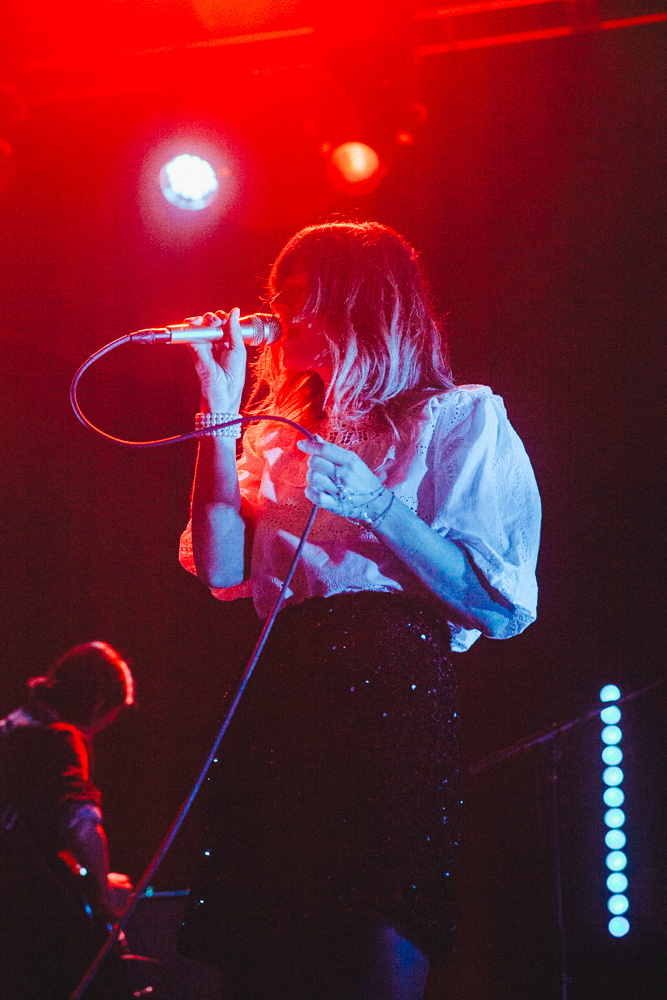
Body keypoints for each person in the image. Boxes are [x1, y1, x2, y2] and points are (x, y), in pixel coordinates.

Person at [177, 221, 541, 999]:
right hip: (283, 695)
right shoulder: (275, 440)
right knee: (261, 953)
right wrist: (215, 407)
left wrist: (377, 504)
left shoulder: (457, 420)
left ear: (354, 301)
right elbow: (220, 567)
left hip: (387, 696)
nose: (274, 315)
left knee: (370, 934)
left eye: (293, 298)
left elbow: (496, 605)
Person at [0, 641, 135, 1000]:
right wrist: (103, 894)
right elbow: (81, 826)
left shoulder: (12, 728)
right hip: (28, 920)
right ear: (98, 706)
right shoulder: (60, 736)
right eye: (106, 722)